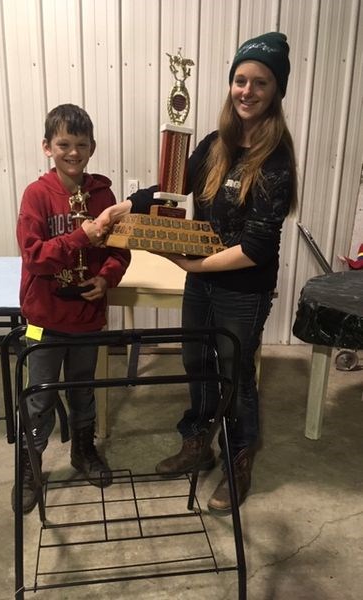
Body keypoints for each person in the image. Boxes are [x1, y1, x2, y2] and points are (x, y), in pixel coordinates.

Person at [95, 32, 297, 512]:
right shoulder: (214, 144)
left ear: (276, 91)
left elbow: (255, 248)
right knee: (195, 361)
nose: (246, 91)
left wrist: (194, 264)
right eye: (239, 80)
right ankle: (197, 442)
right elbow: (169, 188)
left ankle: (238, 459)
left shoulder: (276, 161)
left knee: (235, 372)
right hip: (203, 282)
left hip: (242, 289)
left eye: (260, 82)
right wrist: (120, 209)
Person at [15, 103, 131, 513]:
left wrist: (107, 279)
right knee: (39, 397)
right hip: (45, 319)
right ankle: (29, 467)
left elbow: (121, 250)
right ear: (47, 147)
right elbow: (34, 257)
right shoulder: (36, 196)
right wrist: (81, 236)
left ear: (92, 147)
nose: (73, 152)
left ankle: (84, 452)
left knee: (85, 390)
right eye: (64, 143)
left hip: (86, 319)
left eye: (81, 144)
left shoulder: (104, 194)